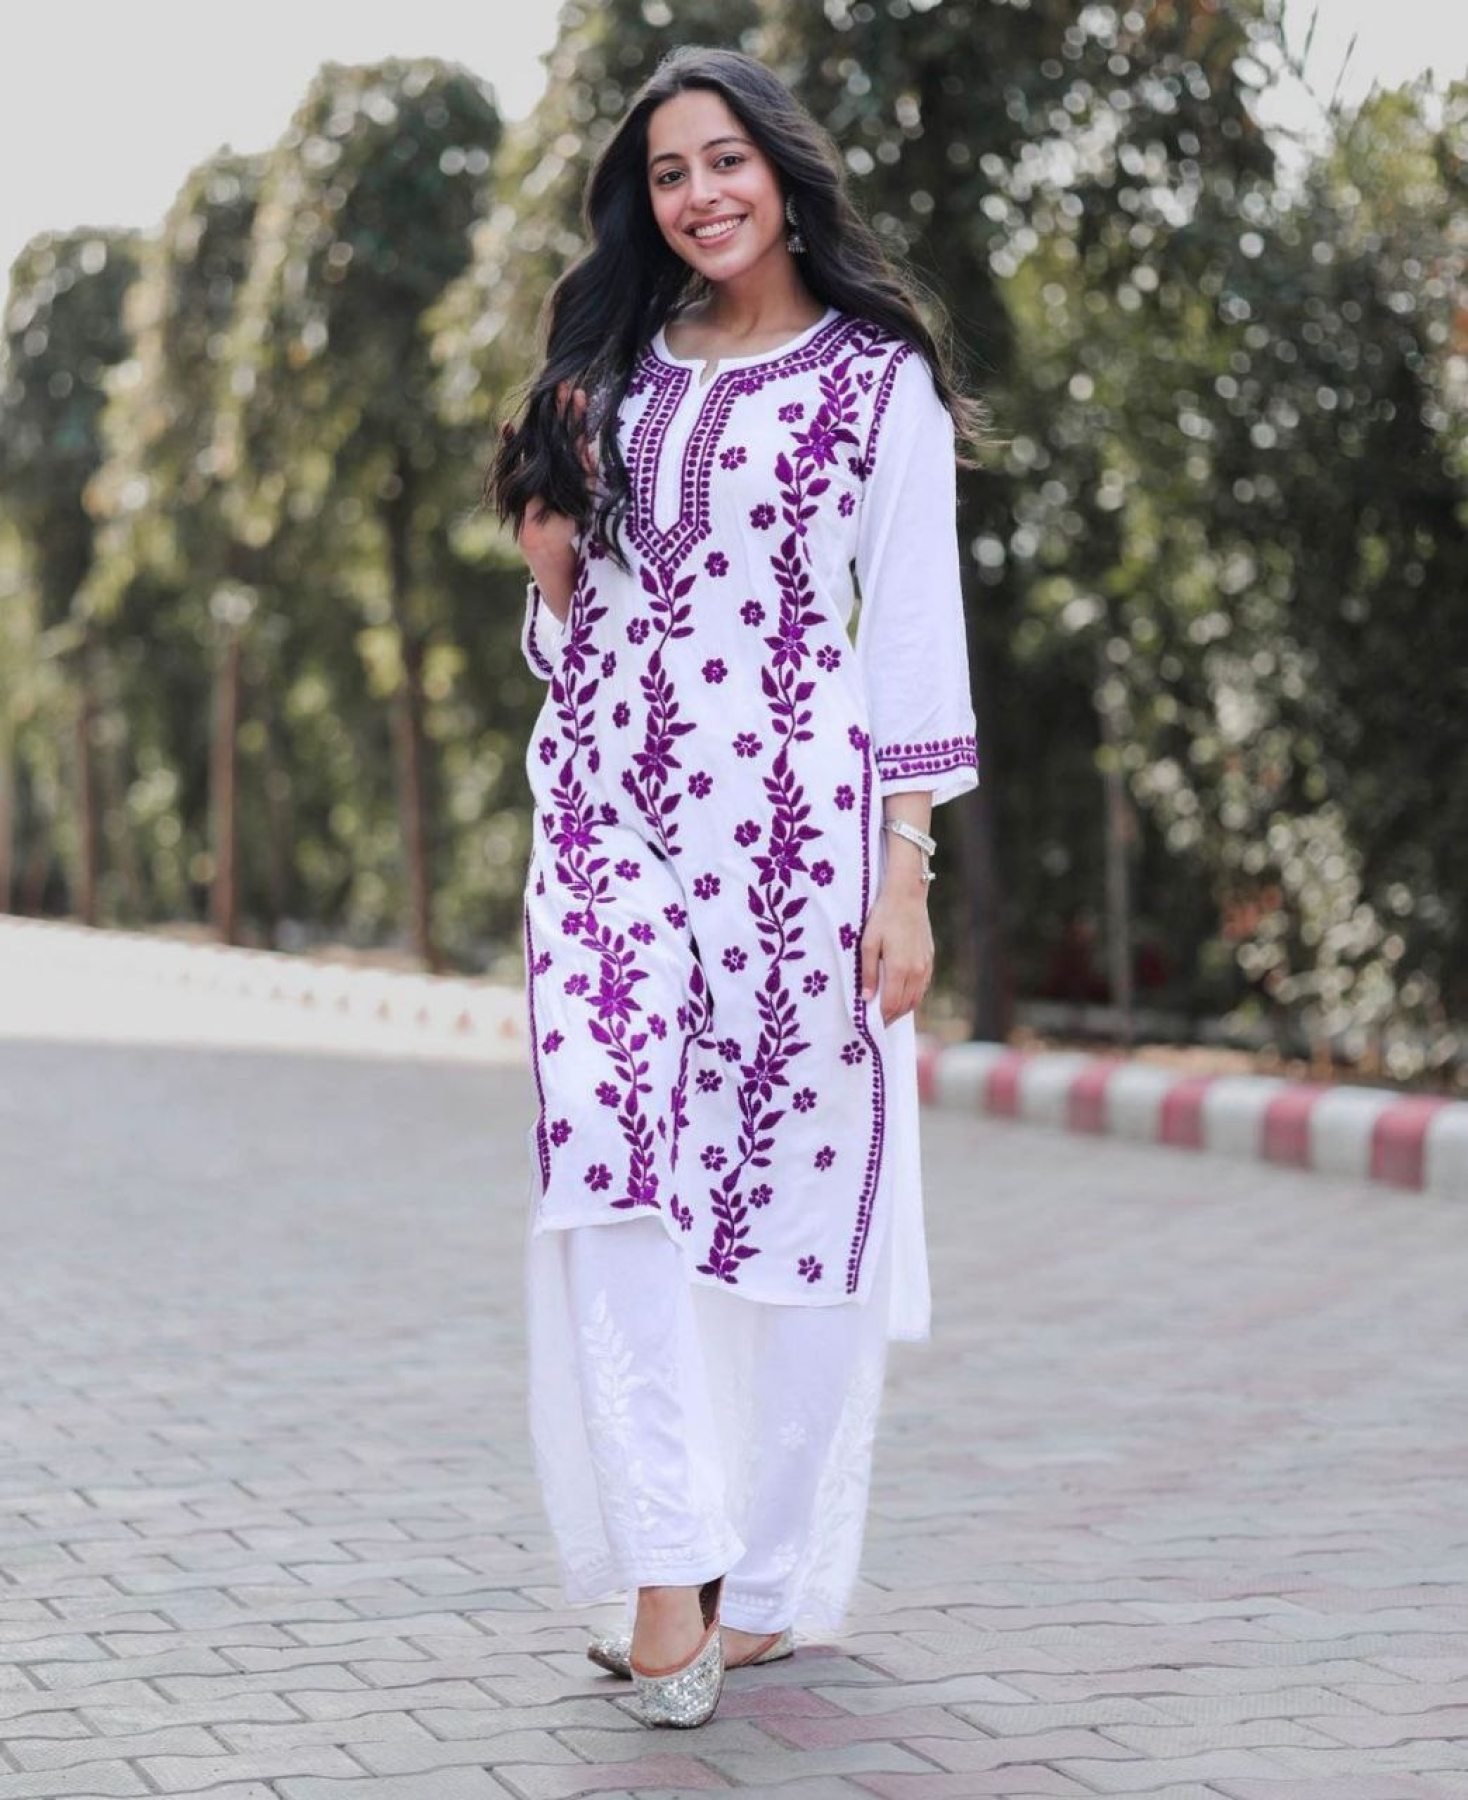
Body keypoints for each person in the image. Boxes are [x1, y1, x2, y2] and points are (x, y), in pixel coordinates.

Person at [487, 44, 983, 1729]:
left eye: (723, 161)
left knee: (793, 1206)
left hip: (792, 845)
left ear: (779, 169)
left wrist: (906, 875)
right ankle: (664, 1564)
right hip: (603, 819)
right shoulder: (612, 374)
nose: (698, 195)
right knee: (609, 1162)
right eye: (668, 173)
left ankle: (757, 1588)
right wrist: (550, 574)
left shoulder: (877, 383)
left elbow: (909, 638)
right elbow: (578, 629)